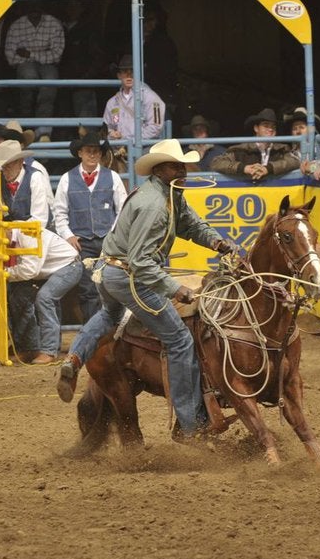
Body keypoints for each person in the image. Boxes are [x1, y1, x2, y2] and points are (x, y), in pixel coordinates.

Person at [56, 139, 237, 441]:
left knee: (110, 314)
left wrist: (217, 242)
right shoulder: (155, 206)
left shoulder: (166, 194)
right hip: (129, 276)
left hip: (108, 271)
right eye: (176, 166)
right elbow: (140, 262)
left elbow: (191, 224)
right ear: (161, 169)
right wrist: (174, 288)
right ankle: (191, 424)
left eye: (183, 165)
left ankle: (74, 358)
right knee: (179, 339)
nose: (183, 171)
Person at [0, 212, 82, 364]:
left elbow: (31, 270)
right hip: (47, 272)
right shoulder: (6, 235)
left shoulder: (28, 233)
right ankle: (28, 348)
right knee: (18, 296)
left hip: (69, 266)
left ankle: (49, 351)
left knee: (45, 298)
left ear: (4, 229)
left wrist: (1, 273)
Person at [52, 131, 128, 322]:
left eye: (96, 151)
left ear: (101, 154)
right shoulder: (66, 179)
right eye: (88, 151)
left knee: (111, 285)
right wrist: (68, 235)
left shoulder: (113, 177)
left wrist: (112, 235)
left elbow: (123, 209)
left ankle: (112, 331)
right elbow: (59, 213)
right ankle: (94, 334)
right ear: (80, 153)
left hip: (107, 241)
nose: (92, 155)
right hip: (82, 243)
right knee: (88, 290)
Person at [4, 5, 65, 142]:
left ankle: (44, 132)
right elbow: (11, 57)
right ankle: (26, 127)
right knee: (29, 76)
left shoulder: (53, 23)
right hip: (26, 66)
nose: (34, 6)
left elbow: (56, 55)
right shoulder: (17, 25)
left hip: (48, 65)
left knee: (50, 81)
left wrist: (29, 54)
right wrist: (42, 54)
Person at [211, 108, 300, 181]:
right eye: (266, 125)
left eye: (273, 127)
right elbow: (216, 163)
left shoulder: (282, 149)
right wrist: (244, 168)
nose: (270, 129)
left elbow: (295, 161)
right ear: (256, 128)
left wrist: (268, 169)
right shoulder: (241, 150)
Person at [103, 54, 166, 142]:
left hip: (144, 148)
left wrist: (130, 141)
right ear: (119, 75)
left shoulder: (151, 98)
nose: (129, 75)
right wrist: (112, 134)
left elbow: (155, 128)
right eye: (125, 71)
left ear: (138, 73)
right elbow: (107, 128)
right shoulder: (112, 102)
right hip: (119, 149)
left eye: (132, 71)